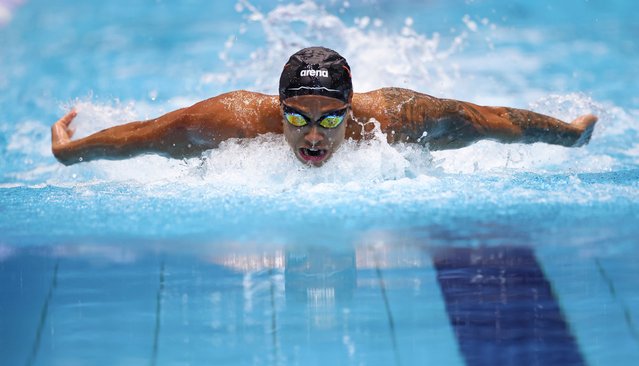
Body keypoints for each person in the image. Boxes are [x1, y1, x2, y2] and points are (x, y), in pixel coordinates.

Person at [51, 46, 598, 167]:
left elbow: (490, 121)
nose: (314, 136)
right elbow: (144, 134)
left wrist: (568, 134)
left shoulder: (389, 120)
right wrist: (71, 154)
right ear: (280, 106)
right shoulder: (229, 121)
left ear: (350, 107)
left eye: (331, 119)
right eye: (298, 117)